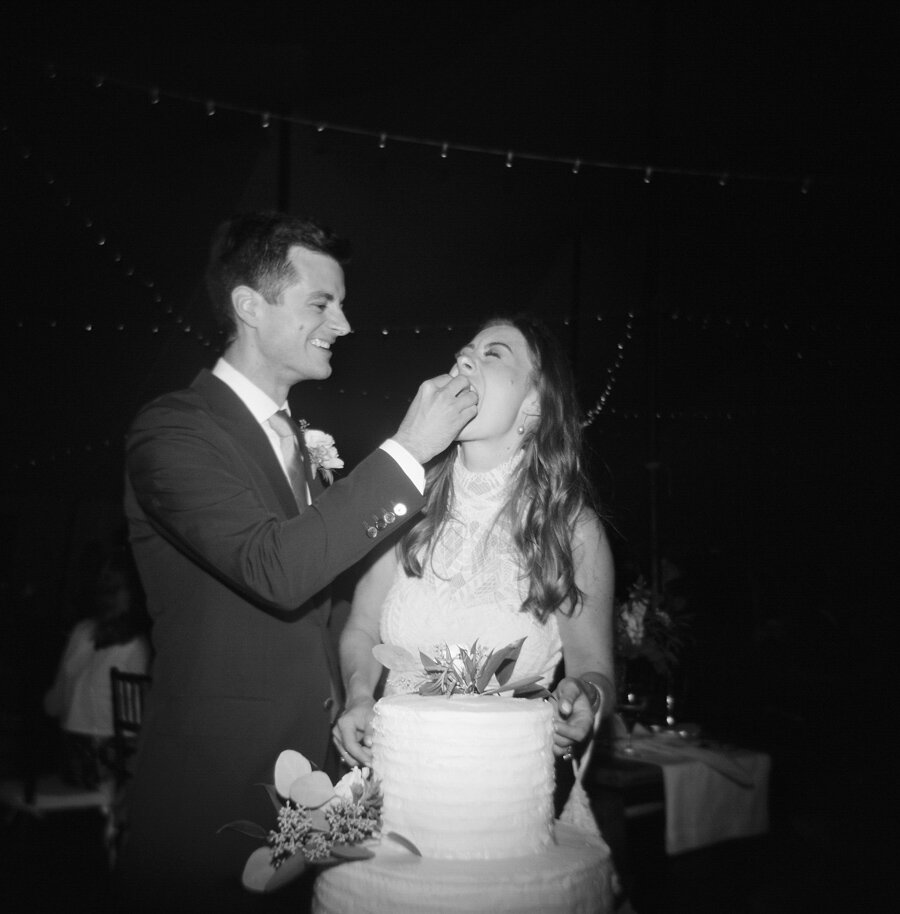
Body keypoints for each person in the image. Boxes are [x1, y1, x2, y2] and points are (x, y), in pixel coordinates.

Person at [112, 212, 477, 912]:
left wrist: (363, 691)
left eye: (340, 304)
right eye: (321, 303)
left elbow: (328, 601)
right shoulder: (171, 429)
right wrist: (409, 449)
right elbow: (276, 569)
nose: (343, 323)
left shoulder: (302, 442)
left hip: (317, 794)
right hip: (214, 798)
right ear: (250, 306)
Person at [333, 314, 616, 789]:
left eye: (494, 354)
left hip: (504, 793)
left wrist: (584, 695)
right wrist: (359, 697)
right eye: (464, 352)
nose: (465, 358)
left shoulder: (571, 530)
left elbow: (595, 670)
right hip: (394, 782)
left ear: (534, 405)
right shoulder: (405, 502)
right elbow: (360, 628)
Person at [43, 546, 151, 788]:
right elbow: (136, 719)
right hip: (102, 760)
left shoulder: (84, 632)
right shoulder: (132, 643)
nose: (109, 595)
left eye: (113, 588)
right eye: (108, 588)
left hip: (80, 757)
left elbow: (53, 704)